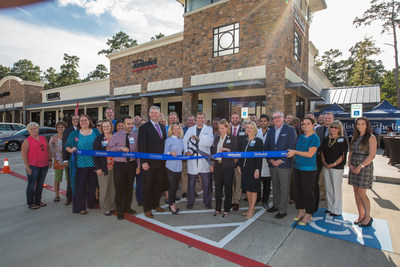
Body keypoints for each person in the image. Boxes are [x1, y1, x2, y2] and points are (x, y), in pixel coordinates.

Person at [286, 117, 320, 225]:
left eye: (308, 123)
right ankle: (301, 211)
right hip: (298, 167)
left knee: (308, 192)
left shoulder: (315, 138)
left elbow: (310, 154)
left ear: (313, 125)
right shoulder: (301, 137)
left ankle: (308, 214)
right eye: (303, 124)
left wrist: (294, 152)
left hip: (308, 169)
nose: (305, 126)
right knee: (298, 191)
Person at [264, 111, 297, 219]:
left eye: (278, 117)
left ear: (283, 118)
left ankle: (283, 210)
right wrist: (270, 159)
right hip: (273, 164)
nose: (276, 119)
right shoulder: (271, 131)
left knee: (284, 187)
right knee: (276, 186)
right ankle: (276, 205)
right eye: (274, 118)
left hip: (284, 164)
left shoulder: (290, 130)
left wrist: (281, 160)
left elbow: (292, 146)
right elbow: (267, 147)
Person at [65, 114, 100, 215]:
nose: (83, 122)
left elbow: (101, 144)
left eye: (85, 120)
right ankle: (80, 207)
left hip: (93, 164)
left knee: (92, 186)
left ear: (89, 121)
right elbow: (67, 146)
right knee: (80, 187)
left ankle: (91, 203)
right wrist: (71, 150)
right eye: (81, 120)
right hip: (79, 165)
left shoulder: (95, 132)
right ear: (79, 122)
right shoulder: (75, 133)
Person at [108, 116, 140, 220]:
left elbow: (137, 152)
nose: (130, 126)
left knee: (129, 188)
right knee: (119, 189)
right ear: (124, 124)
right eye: (128, 124)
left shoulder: (135, 136)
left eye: (132, 124)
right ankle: (120, 210)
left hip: (131, 165)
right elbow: (109, 149)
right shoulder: (116, 135)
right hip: (119, 165)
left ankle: (127, 207)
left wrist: (138, 165)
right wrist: (120, 148)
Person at [138, 106, 167, 218]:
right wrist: (143, 162)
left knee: (158, 186)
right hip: (148, 163)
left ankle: (156, 205)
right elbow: (142, 145)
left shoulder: (162, 127)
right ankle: (147, 208)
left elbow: (163, 143)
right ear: (149, 114)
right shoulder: (144, 127)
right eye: (152, 113)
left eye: (156, 113)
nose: (154, 114)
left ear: (159, 114)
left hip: (160, 163)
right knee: (147, 186)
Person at [348, 117, 377, 227]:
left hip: (365, 166)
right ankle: (361, 215)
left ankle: (368, 216)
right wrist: (349, 163)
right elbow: (351, 152)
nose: (360, 126)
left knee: (361, 192)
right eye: (358, 124)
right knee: (355, 191)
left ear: (367, 125)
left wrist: (361, 166)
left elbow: (372, 155)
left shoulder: (371, 137)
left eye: (362, 124)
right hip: (353, 165)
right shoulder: (355, 137)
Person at [183, 112, 214, 210]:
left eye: (202, 118)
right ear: (196, 119)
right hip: (192, 159)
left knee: (206, 184)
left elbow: (210, 143)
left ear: (204, 119)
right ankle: (190, 202)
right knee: (191, 183)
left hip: (203, 159)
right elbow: (184, 141)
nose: (200, 119)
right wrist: (186, 150)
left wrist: (199, 140)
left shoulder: (209, 129)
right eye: (198, 118)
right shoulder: (190, 129)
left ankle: (207, 202)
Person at [21, 122, 52, 210]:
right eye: (31, 129)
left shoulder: (43, 138)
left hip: (44, 164)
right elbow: (24, 155)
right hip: (33, 165)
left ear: (38, 129)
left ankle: (38, 200)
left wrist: (50, 160)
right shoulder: (27, 141)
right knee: (31, 184)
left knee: (40, 184)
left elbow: (48, 149)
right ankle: (31, 202)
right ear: (28, 131)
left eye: (35, 129)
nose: (34, 130)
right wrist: (27, 167)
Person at [211, 119, 238, 217]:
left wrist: (226, 149)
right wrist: (212, 164)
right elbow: (213, 152)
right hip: (218, 165)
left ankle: (226, 209)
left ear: (227, 128)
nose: (221, 130)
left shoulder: (233, 138)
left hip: (228, 166)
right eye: (219, 128)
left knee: (228, 188)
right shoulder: (216, 138)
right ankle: (217, 208)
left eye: (223, 128)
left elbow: (235, 151)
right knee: (218, 188)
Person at [321, 120, 348, 217]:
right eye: (332, 127)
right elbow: (322, 152)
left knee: (336, 189)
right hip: (326, 166)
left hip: (337, 167)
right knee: (328, 187)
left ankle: (337, 209)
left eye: (335, 127)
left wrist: (333, 164)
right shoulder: (326, 139)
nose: (333, 129)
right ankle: (330, 207)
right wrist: (324, 162)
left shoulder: (342, 140)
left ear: (339, 129)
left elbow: (343, 155)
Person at [238, 121, 263, 219]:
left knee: (253, 189)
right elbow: (240, 154)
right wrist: (238, 166)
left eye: (251, 128)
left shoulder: (259, 141)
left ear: (255, 129)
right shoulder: (243, 140)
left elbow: (259, 157)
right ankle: (250, 207)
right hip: (244, 168)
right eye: (247, 127)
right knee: (247, 189)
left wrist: (257, 169)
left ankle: (252, 209)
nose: (249, 129)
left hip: (253, 168)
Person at [93, 119, 116, 216]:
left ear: (111, 126)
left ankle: (112, 206)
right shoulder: (98, 138)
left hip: (114, 167)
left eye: (108, 126)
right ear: (102, 128)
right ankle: (105, 208)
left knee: (112, 188)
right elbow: (95, 154)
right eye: (104, 126)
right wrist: (98, 168)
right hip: (103, 167)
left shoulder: (115, 137)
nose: (106, 128)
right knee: (104, 189)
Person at [164, 122, 184, 214]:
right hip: (171, 166)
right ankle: (171, 205)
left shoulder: (181, 140)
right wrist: (170, 153)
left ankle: (173, 203)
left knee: (176, 186)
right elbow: (165, 152)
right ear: (171, 130)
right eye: (174, 129)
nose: (176, 130)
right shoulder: (168, 140)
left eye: (178, 129)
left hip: (179, 166)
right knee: (171, 187)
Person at [230, 112, 246, 211]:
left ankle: (236, 201)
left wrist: (238, 159)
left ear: (239, 119)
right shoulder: (227, 130)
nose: (235, 119)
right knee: (230, 182)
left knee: (238, 182)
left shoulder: (244, 130)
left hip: (239, 161)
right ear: (230, 119)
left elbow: (244, 146)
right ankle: (231, 200)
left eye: (237, 117)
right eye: (233, 117)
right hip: (229, 160)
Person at [62, 115, 79, 205]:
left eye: (77, 119)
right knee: (71, 179)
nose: (75, 121)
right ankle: (69, 197)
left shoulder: (84, 130)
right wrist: (65, 159)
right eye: (74, 119)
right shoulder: (68, 131)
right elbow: (65, 145)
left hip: (81, 160)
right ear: (71, 121)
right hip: (71, 158)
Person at [49, 121, 68, 203]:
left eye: (62, 127)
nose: (60, 128)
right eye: (58, 127)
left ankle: (69, 194)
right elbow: (50, 149)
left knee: (69, 178)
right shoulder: (53, 138)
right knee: (57, 178)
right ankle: (57, 195)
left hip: (67, 160)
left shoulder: (68, 137)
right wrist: (52, 157)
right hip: (58, 161)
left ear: (65, 128)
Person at [256, 114, 271, 209]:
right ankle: (257, 198)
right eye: (261, 121)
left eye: (265, 121)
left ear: (268, 122)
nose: (263, 123)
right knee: (257, 182)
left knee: (267, 183)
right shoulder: (256, 132)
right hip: (257, 161)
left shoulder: (272, 132)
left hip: (268, 161)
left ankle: (265, 200)